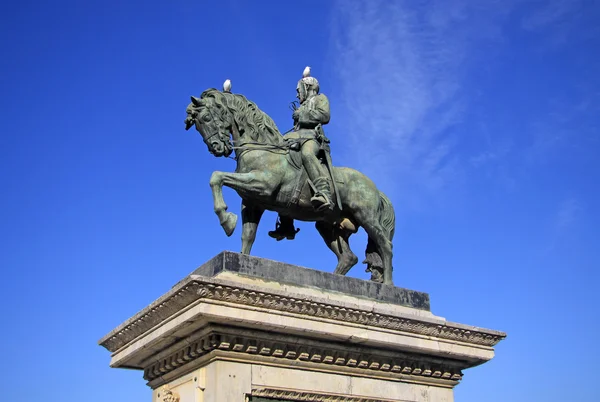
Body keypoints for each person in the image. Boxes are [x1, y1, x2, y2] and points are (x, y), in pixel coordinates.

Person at [268, 66, 333, 241]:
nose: (297, 94)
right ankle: (286, 224)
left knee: (307, 155)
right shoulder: (302, 105)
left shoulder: (320, 98)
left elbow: (325, 116)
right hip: (297, 136)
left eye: (299, 90)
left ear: (308, 87)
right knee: (281, 161)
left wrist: (302, 115)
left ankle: (323, 192)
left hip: (312, 139)